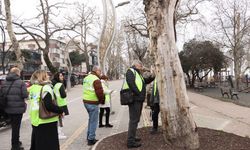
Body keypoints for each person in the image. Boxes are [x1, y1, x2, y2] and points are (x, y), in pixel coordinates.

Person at [29, 70, 64, 150]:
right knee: (49, 145)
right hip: (46, 120)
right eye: (46, 75)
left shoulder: (33, 88)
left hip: (35, 119)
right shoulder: (46, 88)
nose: (48, 76)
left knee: (38, 144)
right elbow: (49, 105)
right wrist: (60, 110)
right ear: (43, 77)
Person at [124, 60, 155, 148]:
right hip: (135, 100)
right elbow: (131, 84)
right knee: (134, 120)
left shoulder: (137, 73)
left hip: (138, 99)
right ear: (136, 65)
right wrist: (139, 93)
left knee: (136, 120)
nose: (142, 67)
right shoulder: (130, 71)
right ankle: (130, 142)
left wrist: (152, 77)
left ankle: (132, 137)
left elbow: (144, 81)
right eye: (141, 66)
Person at [1, 67, 28, 150]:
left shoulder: (4, 82)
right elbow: (25, 95)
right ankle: (15, 146)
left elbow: (2, 94)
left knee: (14, 126)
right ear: (17, 73)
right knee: (16, 127)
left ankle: (16, 141)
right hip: (18, 109)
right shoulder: (21, 83)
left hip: (7, 108)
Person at [83, 66, 105, 146]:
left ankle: (89, 136)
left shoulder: (86, 78)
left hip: (86, 102)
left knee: (91, 119)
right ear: (96, 71)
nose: (101, 72)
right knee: (94, 121)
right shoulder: (96, 79)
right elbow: (99, 92)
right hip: (92, 102)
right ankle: (91, 139)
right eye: (100, 71)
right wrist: (102, 101)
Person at [52, 72, 69, 139]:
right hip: (62, 104)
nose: (62, 77)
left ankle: (58, 132)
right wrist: (65, 91)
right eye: (61, 76)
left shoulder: (53, 84)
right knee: (61, 119)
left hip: (56, 104)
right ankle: (59, 133)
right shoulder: (60, 84)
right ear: (57, 77)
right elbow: (63, 95)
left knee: (58, 119)